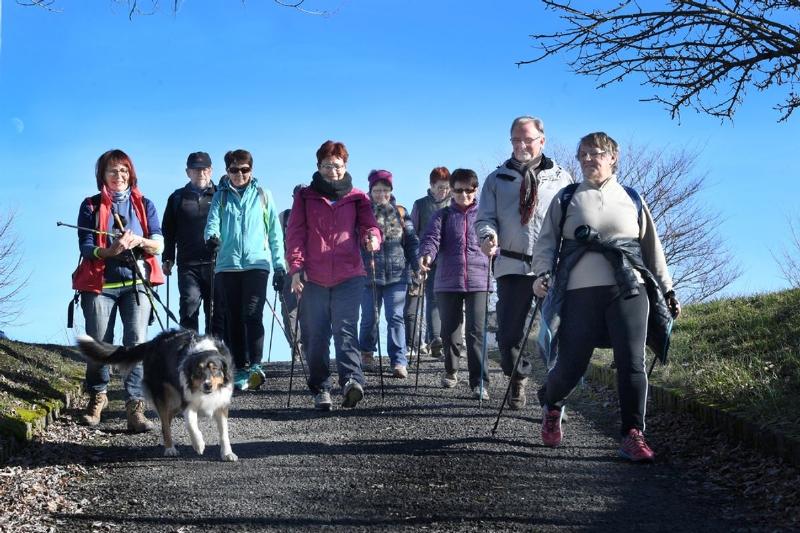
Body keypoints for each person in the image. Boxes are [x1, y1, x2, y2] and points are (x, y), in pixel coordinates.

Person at [532, 131, 681, 461]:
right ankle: (552, 404)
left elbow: (651, 249)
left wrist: (667, 289)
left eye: (595, 153)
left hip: (630, 288)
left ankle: (633, 433)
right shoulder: (567, 197)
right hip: (577, 293)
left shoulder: (631, 197)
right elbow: (545, 244)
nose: (588, 159)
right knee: (571, 364)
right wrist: (542, 276)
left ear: (613, 157)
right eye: (582, 154)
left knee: (632, 362)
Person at [475, 116, 573, 409]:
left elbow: (569, 220)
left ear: (541, 141)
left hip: (549, 267)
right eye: (515, 140)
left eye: (527, 140)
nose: (520, 145)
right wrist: (487, 236)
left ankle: (555, 402)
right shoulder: (496, 179)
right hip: (510, 266)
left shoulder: (562, 179)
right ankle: (518, 375)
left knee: (556, 334)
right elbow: (484, 218)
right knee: (507, 337)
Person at [285, 140, 381, 411]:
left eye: (337, 165)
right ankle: (321, 389)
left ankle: (351, 381)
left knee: (346, 330)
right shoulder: (305, 196)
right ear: (318, 166)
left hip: (349, 274)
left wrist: (372, 237)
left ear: (345, 165)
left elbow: (369, 226)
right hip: (313, 277)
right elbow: (295, 235)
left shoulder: (358, 197)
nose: (332, 171)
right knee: (315, 336)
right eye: (327, 165)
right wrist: (295, 268)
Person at [72, 149, 163, 432]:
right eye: (113, 171)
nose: (119, 176)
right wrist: (109, 251)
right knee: (100, 343)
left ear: (130, 173)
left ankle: (135, 406)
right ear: (103, 175)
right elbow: (86, 246)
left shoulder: (144, 204)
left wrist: (140, 241)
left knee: (135, 344)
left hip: (136, 285)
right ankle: (97, 397)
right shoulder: (90, 205)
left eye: (124, 170)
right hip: (100, 287)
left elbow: (158, 243)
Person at [204, 149, 286, 392]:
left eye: (244, 170)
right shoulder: (220, 196)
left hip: (256, 264)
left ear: (251, 170)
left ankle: (255, 366)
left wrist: (280, 265)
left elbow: (274, 233)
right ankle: (239, 368)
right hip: (227, 265)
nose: (239, 174)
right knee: (234, 319)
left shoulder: (263, 195)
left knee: (252, 314)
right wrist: (211, 238)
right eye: (233, 170)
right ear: (227, 171)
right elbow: (212, 223)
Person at [419, 168, 491, 400]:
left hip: (479, 279)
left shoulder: (485, 216)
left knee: (476, 332)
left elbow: (494, 241)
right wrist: (427, 255)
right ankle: (451, 370)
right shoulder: (442, 215)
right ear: (452, 190)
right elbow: (431, 239)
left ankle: (479, 381)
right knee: (450, 331)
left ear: (475, 189)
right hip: (447, 280)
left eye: (468, 190)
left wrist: (495, 250)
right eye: (458, 190)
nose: (463, 195)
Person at [359, 169, 419, 379]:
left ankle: (399, 361)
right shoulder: (362, 212)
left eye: (385, 190)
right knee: (369, 318)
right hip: (368, 275)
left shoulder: (401, 212)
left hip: (398, 274)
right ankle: (366, 353)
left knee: (395, 317)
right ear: (370, 190)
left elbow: (411, 241)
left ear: (391, 191)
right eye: (377, 190)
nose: (381, 194)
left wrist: (417, 264)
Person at [161, 151, 224, 336]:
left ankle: (214, 356)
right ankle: (190, 355)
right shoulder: (177, 198)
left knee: (216, 313)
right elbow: (169, 231)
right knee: (188, 309)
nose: (201, 173)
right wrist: (167, 258)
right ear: (188, 172)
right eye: (196, 169)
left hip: (217, 263)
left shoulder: (221, 194)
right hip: (188, 265)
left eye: (204, 169)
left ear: (211, 170)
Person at [408, 167, 452, 357]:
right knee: (433, 299)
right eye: (440, 187)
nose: (444, 191)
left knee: (449, 300)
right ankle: (436, 338)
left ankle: (444, 338)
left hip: (451, 260)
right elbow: (413, 232)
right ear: (431, 186)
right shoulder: (420, 204)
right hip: (429, 260)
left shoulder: (454, 204)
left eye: (447, 187)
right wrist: (417, 257)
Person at [278, 185, 304, 362]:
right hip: (289, 270)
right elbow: (276, 242)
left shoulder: (317, 214)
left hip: (314, 271)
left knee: (312, 312)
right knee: (289, 313)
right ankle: (296, 347)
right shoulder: (284, 216)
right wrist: (279, 267)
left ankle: (311, 347)